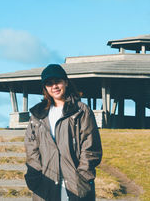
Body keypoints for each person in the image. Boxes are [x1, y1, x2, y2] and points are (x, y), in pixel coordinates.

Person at [24, 64, 102, 201]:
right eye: (49, 83)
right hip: (46, 182)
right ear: (45, 88)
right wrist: (35, 174)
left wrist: (83, 175)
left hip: (75, 182)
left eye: (57, 82)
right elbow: (31, 148)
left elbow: (90, 146)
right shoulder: (37, 115)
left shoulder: (81, 111)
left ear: (66, 82)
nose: (54, 86)